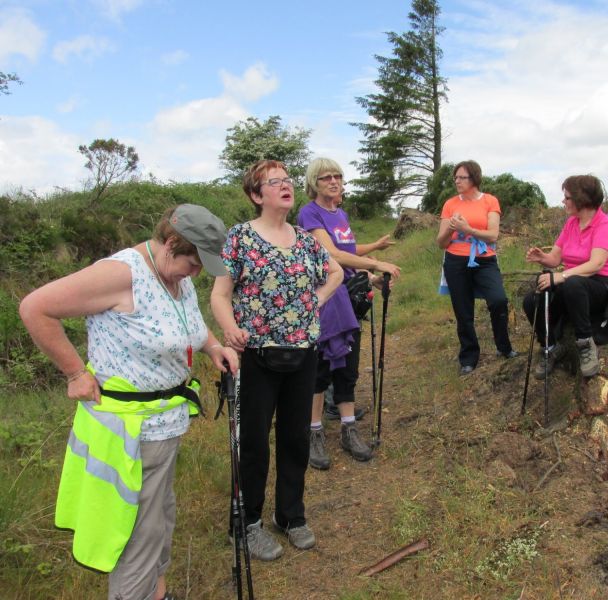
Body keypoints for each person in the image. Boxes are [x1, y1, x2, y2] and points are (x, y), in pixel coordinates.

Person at [18, 204, 238, 600]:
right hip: (130, 432)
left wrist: (213, 347)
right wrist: (75, 373)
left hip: (165, 423)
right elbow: (35, 307)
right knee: (138, 531)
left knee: (160, 515)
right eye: (193, 262)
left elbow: (187, 321)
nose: (196, 273)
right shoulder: (121, 274)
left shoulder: (175, 276)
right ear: (171, 243)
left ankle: (158, 592)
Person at [210, 159, 343, 561]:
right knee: (252, 441)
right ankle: (246, 523)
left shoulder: (305, 239)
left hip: (303, 353)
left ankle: (290, 515)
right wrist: (230, 328)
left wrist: (316, 300)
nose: (286, 186)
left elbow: (335, 272)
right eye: (274, 182)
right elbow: (220, 295)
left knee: (295, 438)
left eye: (287, 180)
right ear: (256, 195)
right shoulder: (239, 238)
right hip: (256, 356)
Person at [297, 157, 400, 470]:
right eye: (326, 177)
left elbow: (349, 256)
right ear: (314, 183)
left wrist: (371, 278)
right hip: (324, 297)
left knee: (348, 366)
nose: (333, 181)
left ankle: (348, 428)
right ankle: (314, 432)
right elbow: (330, 254)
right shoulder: (309, 213)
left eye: (338, 176)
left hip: (347, 298)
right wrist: (376, 262)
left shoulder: (340, 214)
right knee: (321, 368)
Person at [523, 175, 608, 379]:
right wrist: (542, 258)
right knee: (533, 299)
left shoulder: (604, 225)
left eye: (567, 198)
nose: (563, 201)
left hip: (599, 286)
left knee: (573, 284)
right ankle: (550, 347)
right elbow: (555, 258)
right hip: (571, 284)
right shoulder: (571, 223)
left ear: (581, 199)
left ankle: (585, 344)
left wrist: (562, 276)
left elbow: (597, 264)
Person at [436, 160, 517, 376]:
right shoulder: (450, 204)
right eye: (455, 177)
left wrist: (467, 228)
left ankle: (503, 346)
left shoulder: (490, 201)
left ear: (474, 178)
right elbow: (441, 242)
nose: (457, 181)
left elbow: (493, 235)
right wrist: (451, 228)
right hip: (455, 261)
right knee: (463, 311)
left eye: (462, 177)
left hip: (484, 260)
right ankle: (469, 357)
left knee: (498, 300)